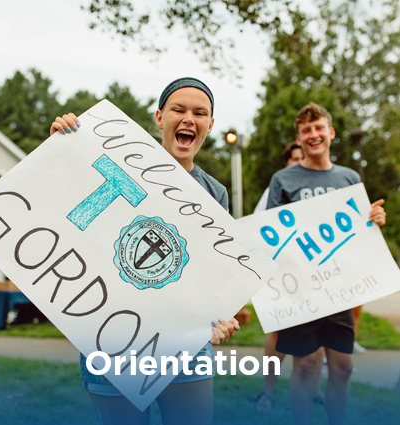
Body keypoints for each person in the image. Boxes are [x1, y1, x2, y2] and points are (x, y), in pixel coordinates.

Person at [50, 77, 240, 425]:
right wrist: (61, 148)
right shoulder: (113, 163)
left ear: (210, 125)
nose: (188, 119)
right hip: (114, 340)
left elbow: (212, 274)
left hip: (187, 347)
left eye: (200, 113)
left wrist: (218, 316)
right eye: (178, 109)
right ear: (159, 117)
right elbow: (66, 215)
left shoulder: (215, 194)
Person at [266, 102, 386, 425]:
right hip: (301, 292)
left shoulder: (348, 178)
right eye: (306, 130)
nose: (313, 134)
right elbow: (270, 236)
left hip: (339, 290)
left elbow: (362, 230)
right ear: (299, 138)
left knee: (343, 368)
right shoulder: (282, 179)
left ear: (330, 133)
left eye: (319, 128)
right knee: (304, 366)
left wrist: (375, 218)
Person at [255, 142, 324, 411]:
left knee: (317, 336)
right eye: (293, 158)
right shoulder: (274, 190)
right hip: (282, 277)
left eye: (302, 158)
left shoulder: (318, 195)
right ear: (286, 163)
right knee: (277, 334)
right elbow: (258, 228)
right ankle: (267, 392)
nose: (298, 163)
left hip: (315, 278)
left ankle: (314, 388)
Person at [254, 142, 304, 213]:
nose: (300, 163)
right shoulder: (275, 188)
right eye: (296, 159)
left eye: (303, 159)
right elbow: (258, 216)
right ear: (286, 164)